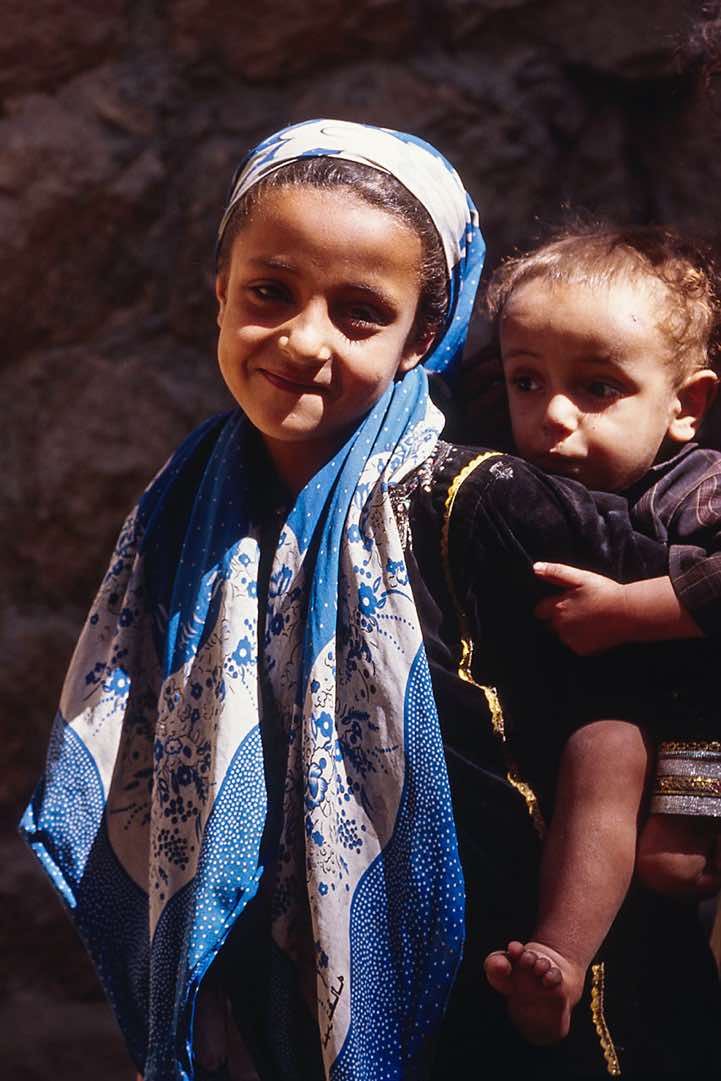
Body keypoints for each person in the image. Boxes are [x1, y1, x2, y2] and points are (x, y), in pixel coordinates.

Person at [19, 124, 721, 1081]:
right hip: (273, 996)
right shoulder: (181, 512)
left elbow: (659, 683)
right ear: (219, 289)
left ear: (420, 341)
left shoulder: (486, 505)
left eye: (358, 313)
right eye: (269, 291)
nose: (302, 339)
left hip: (510, 1008)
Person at [482, 224, 721, 1045]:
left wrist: (629, 609)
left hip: (704, 730)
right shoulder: (514, 489)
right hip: (624, 725)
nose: (552, 415)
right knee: (607, 750)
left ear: (683, 406)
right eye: (525, 380)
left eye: (596, 388)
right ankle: (557, 959)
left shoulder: (701, 491)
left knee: (674, 864)